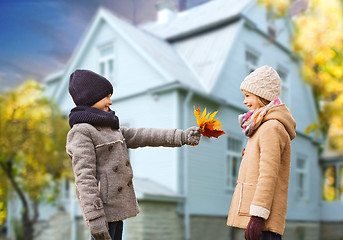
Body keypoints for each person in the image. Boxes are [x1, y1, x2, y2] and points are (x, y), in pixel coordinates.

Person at [66, 69, 201, 240]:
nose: (110, 101)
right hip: (102, 210)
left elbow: (145, 135)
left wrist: (181, 136)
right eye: (106, 96)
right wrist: (94, 217)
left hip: (116, 208)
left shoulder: (111, 128)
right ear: (90, 98)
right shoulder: (82, 132)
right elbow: (84, 178)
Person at [227, 65, 296, 240]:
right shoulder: (261, 126)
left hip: (263, 219)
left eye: (248, 95)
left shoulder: (272, 127)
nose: (244, 101)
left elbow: (268, 175)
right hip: (256, 215)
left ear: (262, 96)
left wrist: (257, 217)